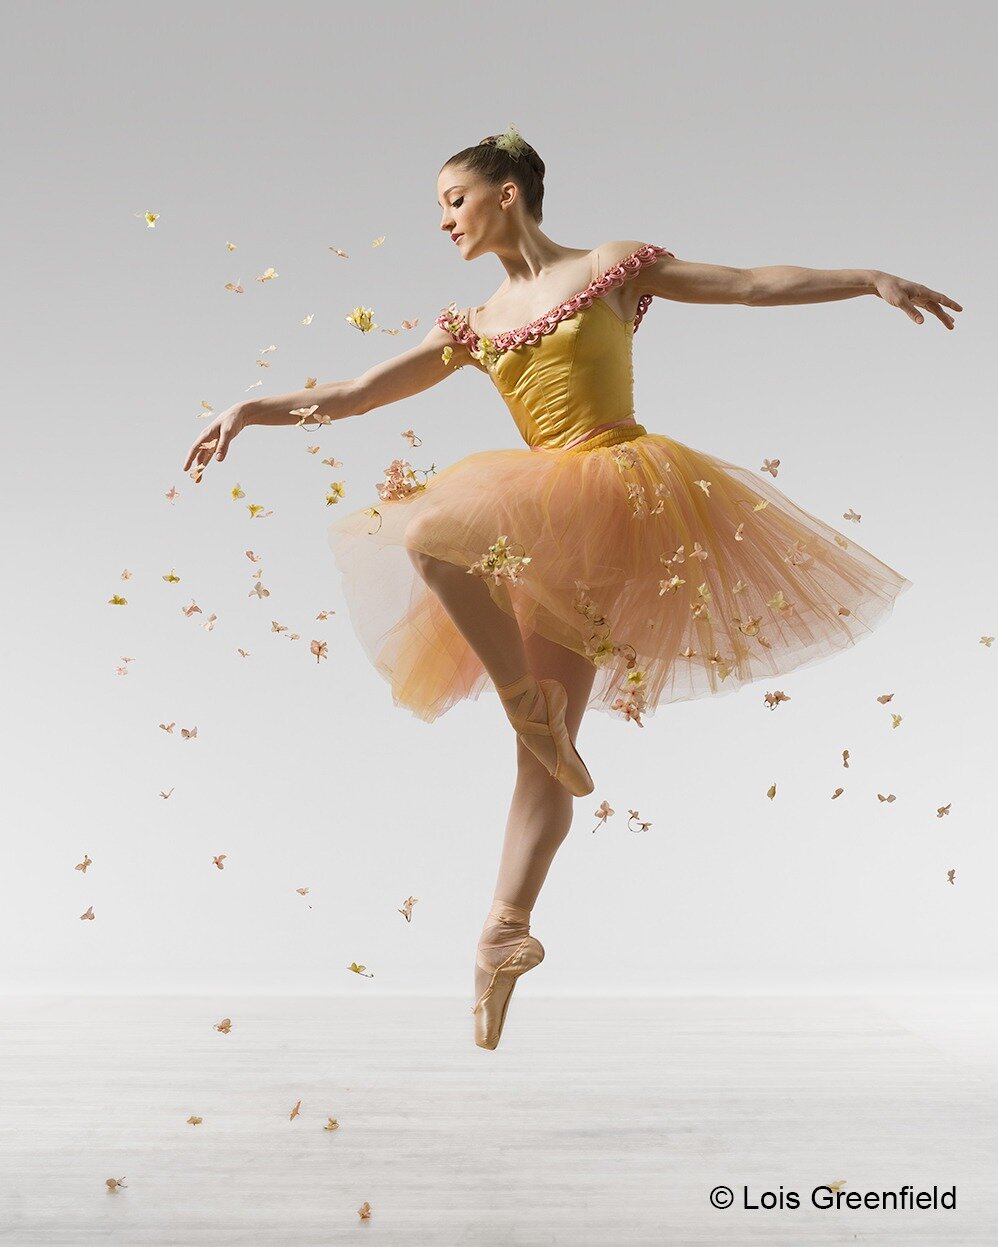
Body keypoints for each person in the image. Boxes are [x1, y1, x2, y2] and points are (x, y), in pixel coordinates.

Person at [182, 124, 961, 1051]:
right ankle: (505, 926)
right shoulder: (470, 325)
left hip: (623, 500)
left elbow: (750, 284)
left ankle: (519, 767)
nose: (444, 222)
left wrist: (866, 277)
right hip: (540, 519)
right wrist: (252, 407)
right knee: (455, 578)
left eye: (453, 201)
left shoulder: (611, 265)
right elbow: (355, 393)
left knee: (460, 585)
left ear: (506, 192)